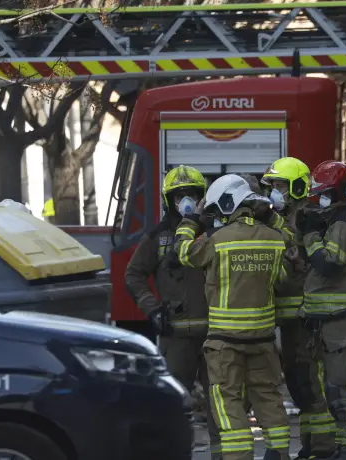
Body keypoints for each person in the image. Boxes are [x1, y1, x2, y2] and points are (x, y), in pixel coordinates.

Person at [174, 173, 292, 460]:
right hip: (263, 339)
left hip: (225, 342)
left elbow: (184, 254)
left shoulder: (217, 241)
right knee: (268, 396)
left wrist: (191, 221)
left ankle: (239, 456)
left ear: (228, 204)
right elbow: (284, 279)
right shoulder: (274, 240)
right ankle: (279, 451)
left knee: (228, 401)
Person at [124, 165, 221, 455]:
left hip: (215, 335)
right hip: (175, 336)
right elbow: (134, 275)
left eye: (191, 193)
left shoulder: (214, 232)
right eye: (179, 195)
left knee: (223, 404)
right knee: (173, 405)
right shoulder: (158, 237)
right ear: (169, 200)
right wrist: (152, 310)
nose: (186, 200)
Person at [295, 161, 346, 460]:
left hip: (342, 319)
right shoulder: (334, 219)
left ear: (341, 190)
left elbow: (330, 262)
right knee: (335, 388)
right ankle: (345, 444)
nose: (320, 200)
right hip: (327, 320)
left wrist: (310, 236)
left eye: (325, 194)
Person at [262, 158, 337, 460]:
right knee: (299, 385)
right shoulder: (282, 218)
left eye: (279, 186)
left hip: (306, 319)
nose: (275, 192)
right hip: (290, 321)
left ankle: (322, 447)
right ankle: (311, 444)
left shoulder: (307, 218)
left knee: (312, 383)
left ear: (296, 186)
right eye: (273, 186)